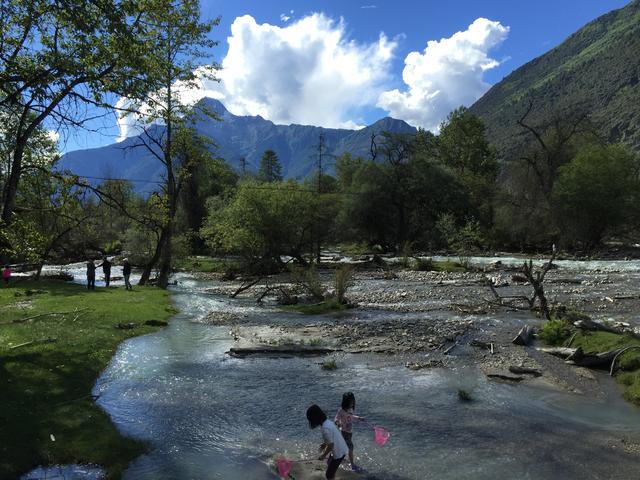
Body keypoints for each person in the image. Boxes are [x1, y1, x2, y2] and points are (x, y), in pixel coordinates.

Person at [306, 404, 348, 480]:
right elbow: (332, 438)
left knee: (328, 475)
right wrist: (325, 443)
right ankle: (333, 474)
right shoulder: (328, 422)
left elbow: (331, 445)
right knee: (329, 463)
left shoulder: (325, 429)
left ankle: (332, 476)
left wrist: (323, 455)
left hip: (338, 454)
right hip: (342, 448)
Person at [335, 392, 365, 472]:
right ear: (345, 402)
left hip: (349, 432)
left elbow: (351, 417)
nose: (352, 404)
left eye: (353, 402)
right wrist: (337, 423)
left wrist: (359, 418)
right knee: (350, 447)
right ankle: (352, 465)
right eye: (350, 402)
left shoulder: (350, 409)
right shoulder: (341, 410)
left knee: (344, 447)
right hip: (344, 432)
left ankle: (337, 458)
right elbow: (336, 418)